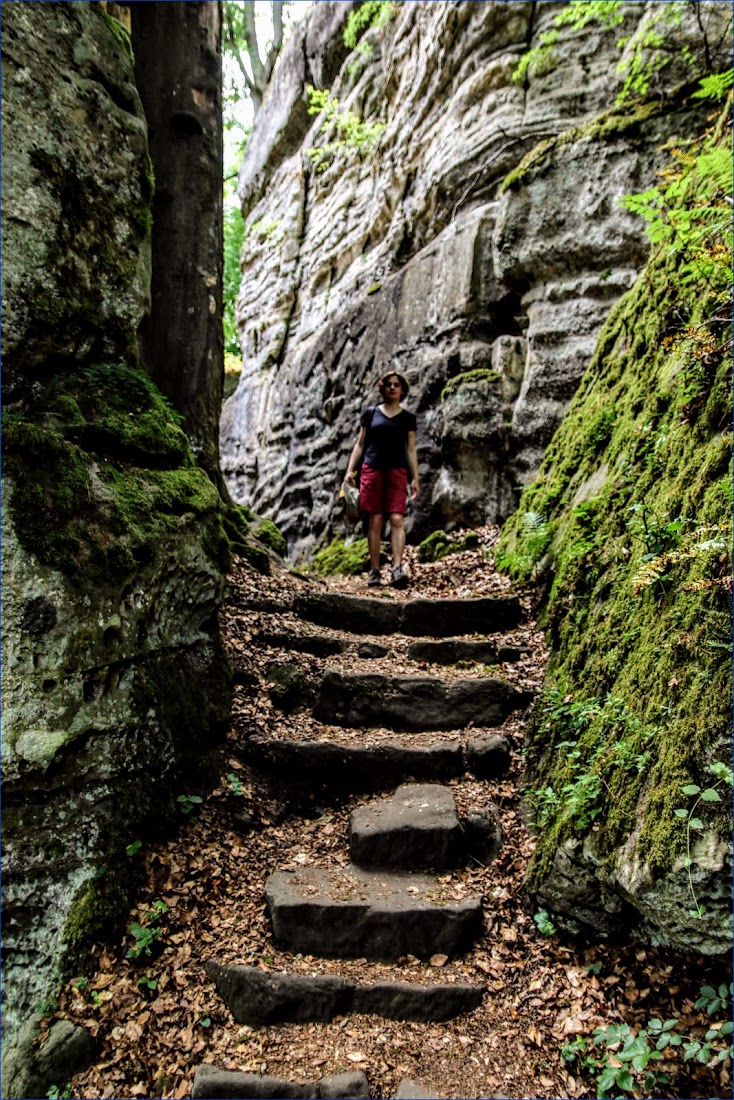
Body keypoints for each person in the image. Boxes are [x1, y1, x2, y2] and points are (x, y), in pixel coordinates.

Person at [345, 370, 419, 588]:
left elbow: (411, 450)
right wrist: (350, 470)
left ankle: (397, 568)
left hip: (397, 472)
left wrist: (415, 478)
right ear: (383, 388)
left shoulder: (408, 418)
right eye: (389, 384)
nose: (392, 388)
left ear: (403, 389)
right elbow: (360, 443)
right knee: (375, 520)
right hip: (372, 470)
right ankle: (375, 571)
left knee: (397, 518)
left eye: (397, 385)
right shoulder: (370, 414)